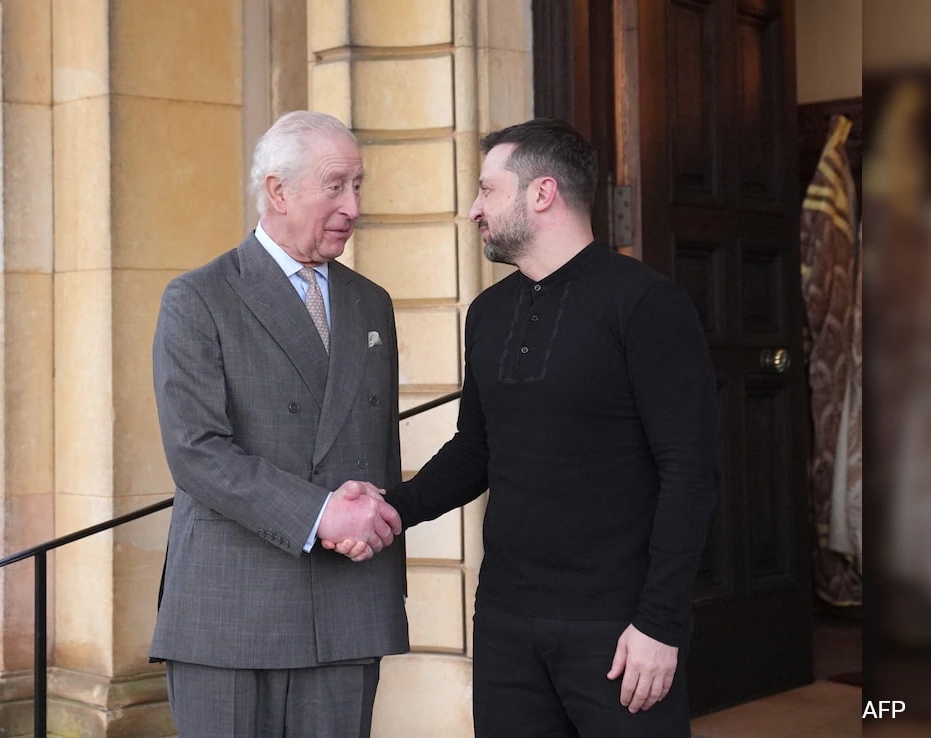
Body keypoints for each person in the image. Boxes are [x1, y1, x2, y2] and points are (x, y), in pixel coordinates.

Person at [332, 117, 720, 736]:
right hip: (507, 623)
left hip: (618, 631)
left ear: (541, 193)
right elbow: (475, 449)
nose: (473, 209)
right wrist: (392, 511)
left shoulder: (647, 304)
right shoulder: (488, 313)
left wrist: (661, 624)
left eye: (487, 190)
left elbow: (690, 472)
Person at [150, 110, 408, 738]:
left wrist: (370, 529)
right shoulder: (199, 297)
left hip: (348, 605)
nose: (352, 204)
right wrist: (323, 515)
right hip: (231, 611)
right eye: (336, 185)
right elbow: (196, 451)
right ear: (278, 190)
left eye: (358, 186)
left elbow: (379, 448)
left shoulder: (370, 301)